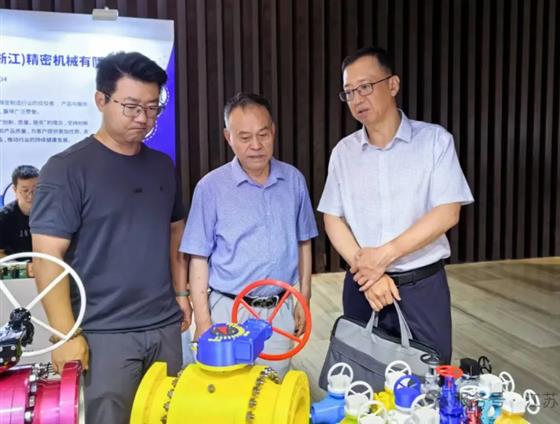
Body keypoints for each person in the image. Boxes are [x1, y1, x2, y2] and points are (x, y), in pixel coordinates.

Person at [30, 52, 191, 423]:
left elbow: (175, 230)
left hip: (163, 326)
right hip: (103, 333)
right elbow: (47, 257)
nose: (143, 118)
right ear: (101, 100)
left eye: (152, 108)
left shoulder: (161, 165)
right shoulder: (66, 169)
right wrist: (65, 335)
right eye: (131, 106)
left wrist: (181, 294)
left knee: (165, 416)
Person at [318, 47, 474, 364]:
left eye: (365, 87)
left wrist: (383, 257)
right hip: (363, 287)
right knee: (362, 376)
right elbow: (332, 217)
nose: (357, 99)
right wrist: (370, 273)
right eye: (349, 92)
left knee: (429, 377)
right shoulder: (343, 153)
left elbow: (448, 212)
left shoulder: (434, 141)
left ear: (393, 85)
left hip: (421, 287)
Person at [180, 92, 318, 376]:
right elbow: (199, 258)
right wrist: (203, 322)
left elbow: (304, 241)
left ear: (273, 131)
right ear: (228, 137)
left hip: (278, 309)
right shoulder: (210, 187)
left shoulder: (293, 180)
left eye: (263, 135)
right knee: (226, 387)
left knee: (272, 387)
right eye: (244, 137)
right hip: (228, 309)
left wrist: (304, 298)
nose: (256, 145)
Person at [0, 165, 39, 257]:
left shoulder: (51, 212)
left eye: (36, 190)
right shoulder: (4, 218)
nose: (31, 196)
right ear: (15, 190)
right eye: (25, 190)